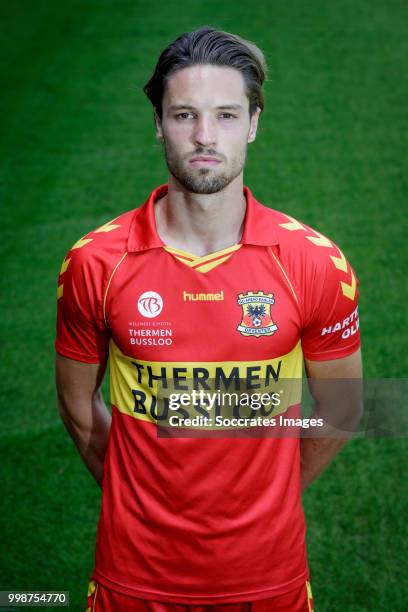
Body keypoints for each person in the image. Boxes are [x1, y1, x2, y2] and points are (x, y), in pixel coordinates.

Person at [55, 27, 362, 612]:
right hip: (133, 577)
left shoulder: (315, 264)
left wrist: (270, 499)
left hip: (268, 578)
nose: (204, 136)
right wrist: (132, 494)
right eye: (183, 115)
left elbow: (343, 407)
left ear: (253, 124)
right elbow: (76, 405)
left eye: (225, 115)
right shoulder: (96, 263)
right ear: (158, 124)